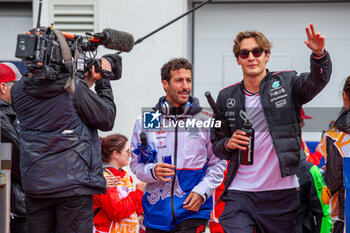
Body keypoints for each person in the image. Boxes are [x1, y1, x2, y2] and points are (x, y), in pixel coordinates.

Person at [211, 23, 332, 233]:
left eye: (257, 51)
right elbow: (216, 145)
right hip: (241, 192)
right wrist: (228, 143)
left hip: (282, 193)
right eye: (244, 53)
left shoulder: (287, 83)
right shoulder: (226, 97)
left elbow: (317, 80)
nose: (251, 57)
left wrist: (319, 54)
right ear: (238, 59)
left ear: (267, 55)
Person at [10, 57, 116, 233]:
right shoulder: (73, 86)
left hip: (36, 183)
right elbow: (106, 119)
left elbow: (58, 106)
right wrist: (103, 80)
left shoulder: (18, 90)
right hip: (73, 184)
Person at [130, 57, 227, 233]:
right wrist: (152, 171)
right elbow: (135, 165)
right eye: (179, 80)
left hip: (193, 208)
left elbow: (218, 163)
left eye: (188, 80)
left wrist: (202, 191)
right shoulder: (147, 120)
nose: (185, 86)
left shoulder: (205, 119)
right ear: (165, 84)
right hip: (155, 211)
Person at [93, 134, 145, 233]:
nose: (130, 155)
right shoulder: (105, 178)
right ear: (115, 154)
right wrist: (138, 192)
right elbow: (117, 212)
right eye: (127, 151)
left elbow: (132, 211)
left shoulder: (125, 175)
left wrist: (142, 211)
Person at [320, 76, 350, 233]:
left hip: (346, 215)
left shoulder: (336, 135)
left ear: (345, 96)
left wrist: (327, 172)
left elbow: (333, 181)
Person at [0, 62, 26, 233]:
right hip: (10, 207)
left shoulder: (8, 116)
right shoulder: (2, 119)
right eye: (16, 86)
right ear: (3, 87)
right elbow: (20, 164)